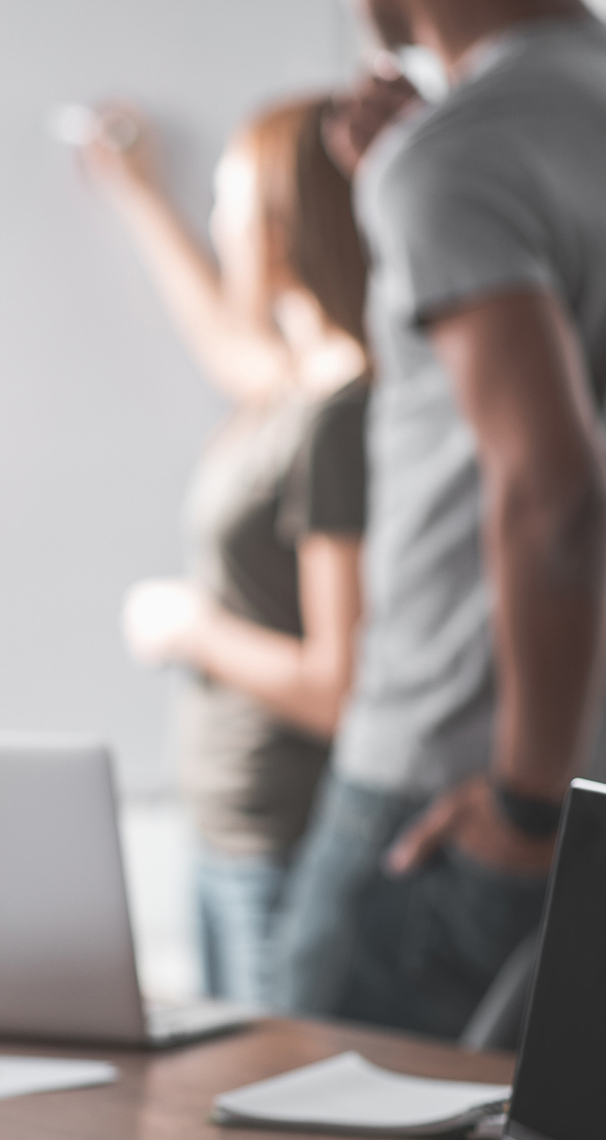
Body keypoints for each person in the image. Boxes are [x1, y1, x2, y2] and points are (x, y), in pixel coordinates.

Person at [273, 0, 606, 1036]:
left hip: (461, 792)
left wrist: (524, 799)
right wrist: (407, 166)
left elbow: (556, 495)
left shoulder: (461, 155)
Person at [83, 98, 370, 1005]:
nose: (220, 223)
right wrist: (135, 192)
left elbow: (339, 687)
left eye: (229, 203)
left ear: (282, 224)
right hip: (221, 825)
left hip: (279, 835)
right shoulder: (292, 390)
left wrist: (191, 629)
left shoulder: (339, 419)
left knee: (261, 1113)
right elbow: (218, 339)